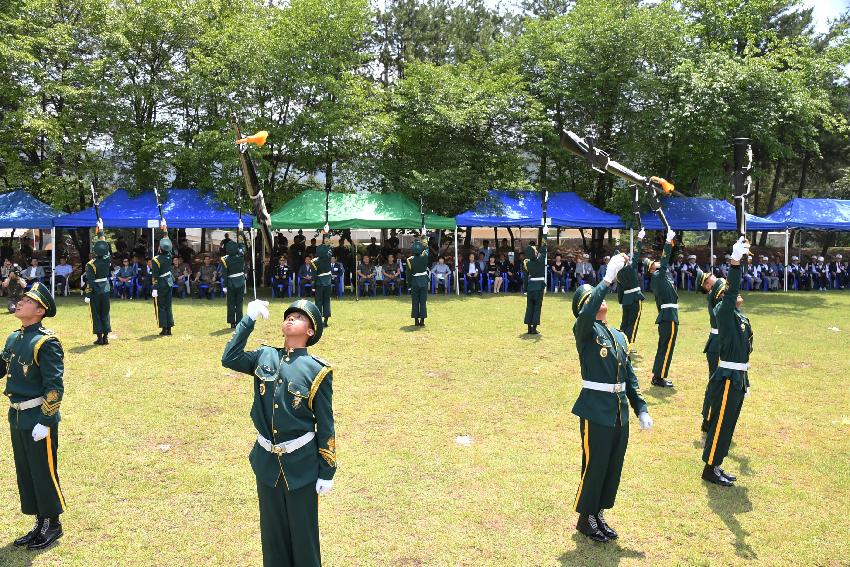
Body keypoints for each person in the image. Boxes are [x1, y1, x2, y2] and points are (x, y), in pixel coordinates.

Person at [221, 299, 335, 567]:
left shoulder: (317, 371)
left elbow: (326, 423)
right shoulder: (265, 356)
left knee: (304, 538)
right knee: (272, 539)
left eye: (299, 317)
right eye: (288, 315)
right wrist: (247, 320)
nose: (291, 319)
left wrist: (327, 470)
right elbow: (229, 358)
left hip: (302, 465)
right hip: (267, 463)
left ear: (311, 331)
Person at [570, 254, 652, 543]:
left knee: (612, 464)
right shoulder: (584, 331)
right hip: (596, 408)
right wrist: (605, 279)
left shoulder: (617, 336)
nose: (602, 300)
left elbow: (628, 375)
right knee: (595, 464)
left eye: (602, 295)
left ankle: (599, 512)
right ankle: (585, 517)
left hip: (619, 411)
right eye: (594, 298)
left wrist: (640, 406)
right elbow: (587, 312)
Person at [1, 282, 66, 550]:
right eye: (22, 299)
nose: (20, 302)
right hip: (16, 416)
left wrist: (46, 420)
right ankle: (40, 521)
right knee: (26, 472)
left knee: (43, 470)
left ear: (40, 310)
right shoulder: (14, 338)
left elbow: (55, 387)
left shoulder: (46, 342)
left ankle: (54, 524)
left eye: (28, 301)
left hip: (37, 417)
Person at [702, 238, 752, 487]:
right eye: (733, 292)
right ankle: (710, 467)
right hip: (727, 377)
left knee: (729, 423)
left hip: (738, 377)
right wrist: (735, 262)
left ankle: (718, 463)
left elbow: (746, 352)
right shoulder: (723, 311)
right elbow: (731, 291)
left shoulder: (739, 318)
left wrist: (747, 379)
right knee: (721, 423)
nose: (738, 293)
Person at [646, 229, 678, 387]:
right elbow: (665, 260)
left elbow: (667, 260)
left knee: (664, 347)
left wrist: (672, 244)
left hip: (669, 316)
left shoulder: (663, 275)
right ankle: (659, 377)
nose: (657, 262)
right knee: (666, 348)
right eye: (654, 264)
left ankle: (658, 375)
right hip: (668, 316)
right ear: (652, 269)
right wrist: (667, 243)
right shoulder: (658, 276)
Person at [695, 267, 721, 435]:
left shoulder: (717, 293)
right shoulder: (715, 295)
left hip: (719, 343)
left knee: (717, 382)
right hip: (718, 344)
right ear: (707, 286)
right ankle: (708, 418)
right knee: (715, 382)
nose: (715, 277)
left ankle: (711, 417)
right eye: (711, 278)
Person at [617, 229, 646, 352]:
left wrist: (621, 302)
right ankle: (628, 345)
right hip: (635, 298)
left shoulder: (618, 274)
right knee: (632, 324)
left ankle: (621, 342)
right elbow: (637, 252)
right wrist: (639, 239)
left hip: (625, 300)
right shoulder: (630, 268)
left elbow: (619, 290)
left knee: (625, 322)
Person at [84, 239, 112, 345]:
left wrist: (88, 294)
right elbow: (107, 252)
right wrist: (101, 235)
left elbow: (90, 281)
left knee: (96, 313)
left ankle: (100, 338)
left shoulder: (90, 264)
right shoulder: (107, 259)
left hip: (96, 290)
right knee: (105, 313)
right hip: (105, 288)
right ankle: (105, 337)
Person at [523, 236, 547, 335]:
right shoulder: (541, 259)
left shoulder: (526, 263)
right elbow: (544, 247)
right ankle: (534, 328)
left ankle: (529, 328)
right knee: (537, 307)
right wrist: (545, 234)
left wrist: (525, 289)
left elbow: (525, 277)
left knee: (529, 307)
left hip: (530, 287)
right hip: (539, 287)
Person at [152, 236, 175, 336]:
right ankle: (169, 328)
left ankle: (164, 328)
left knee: (161, 306)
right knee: (168, 306)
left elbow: (155, 276)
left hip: (161, 284)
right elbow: (168, 248)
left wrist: (154, 288)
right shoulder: (169, 256)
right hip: (169, 282)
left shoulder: (156, 260)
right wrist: (165, 234)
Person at [221, 240, 247, 328]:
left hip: (231, 282)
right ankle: (239, 321)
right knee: (239, 303)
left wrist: (224, 285)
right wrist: (240, 231)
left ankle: (232, 322)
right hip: (240, 280)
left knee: (231, 303)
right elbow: (242, 247)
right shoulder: (241, 256)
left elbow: (224, 273)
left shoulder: (225, 259)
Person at [407, 236, 429, 326]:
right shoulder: (425, 255)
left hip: (415, 281)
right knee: (423, 301)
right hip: (423, 280)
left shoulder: (410, 260)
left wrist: (409, 285)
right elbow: (426, 247)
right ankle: (422, 321)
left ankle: (416, 321)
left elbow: (408, 274)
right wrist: (424, 238)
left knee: (415, 301)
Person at [312, 236, 333, 326]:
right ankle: (326, 320)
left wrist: (313, 287)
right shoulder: (328, 258)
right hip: (328, 282)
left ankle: (318, 319)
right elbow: (329, 250)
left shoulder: (314, 262)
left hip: (319, 283)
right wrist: (327, 243)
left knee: (319, 301)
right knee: (327, 301)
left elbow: (314, 276)